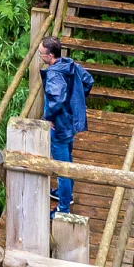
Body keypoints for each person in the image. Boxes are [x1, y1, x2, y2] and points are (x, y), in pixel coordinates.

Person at [38, 36, 93, 214]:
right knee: (68, 159)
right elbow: (88, 81)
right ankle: (66, 195)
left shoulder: (54, 73)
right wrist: (74, 100)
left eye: (41, 54)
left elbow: (57, 98)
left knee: (62, 168)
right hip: (69, 120)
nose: (40, 56)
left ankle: (63, 208)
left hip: (59, 125)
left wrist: (48, 116)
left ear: (50, 56)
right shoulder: (69, 64)